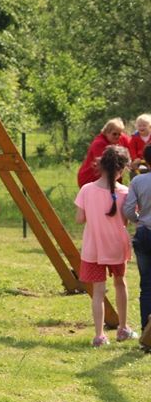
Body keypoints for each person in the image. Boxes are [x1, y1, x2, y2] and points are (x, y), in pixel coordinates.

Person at [75, 145, 137, 347]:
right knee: (120, 284)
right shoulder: (126, 192)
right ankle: (123, 328)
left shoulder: (86, 190)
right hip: (117, 247)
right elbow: (128, 219)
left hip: (93, 248)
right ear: (122, 169)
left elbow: (79, 219)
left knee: (98, 291)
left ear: (100, 165)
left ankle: (99, 336)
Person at [122, 143, 151, 351]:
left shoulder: (138, 181)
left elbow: (128, 209)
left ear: (146, 161)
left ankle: (146, 335)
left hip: (144, 233)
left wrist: (139, 219)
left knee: (147, 286)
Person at [77, 118, 131, 187]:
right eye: (114, 134)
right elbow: (107, 166)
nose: (117, 136)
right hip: (90, 178)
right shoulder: (99, 144)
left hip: (109, 179)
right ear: (106, 132)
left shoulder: (120, 137)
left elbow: (131, 145)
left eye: (119, 134)